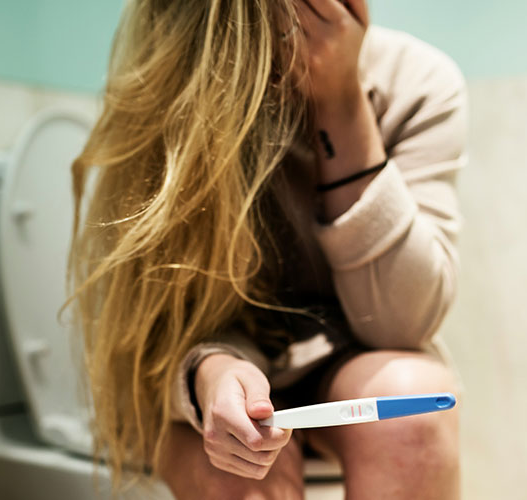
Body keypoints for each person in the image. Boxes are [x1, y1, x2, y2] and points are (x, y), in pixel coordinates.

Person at [65, 0, 468, 499]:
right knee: (235, 470)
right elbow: (142, 337)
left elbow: (402, 324)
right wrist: (211, 373)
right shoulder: (168, 84)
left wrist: (340, 103)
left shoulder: (415, 84)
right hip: (205, 368)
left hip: (350, 360)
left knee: (413, 416)